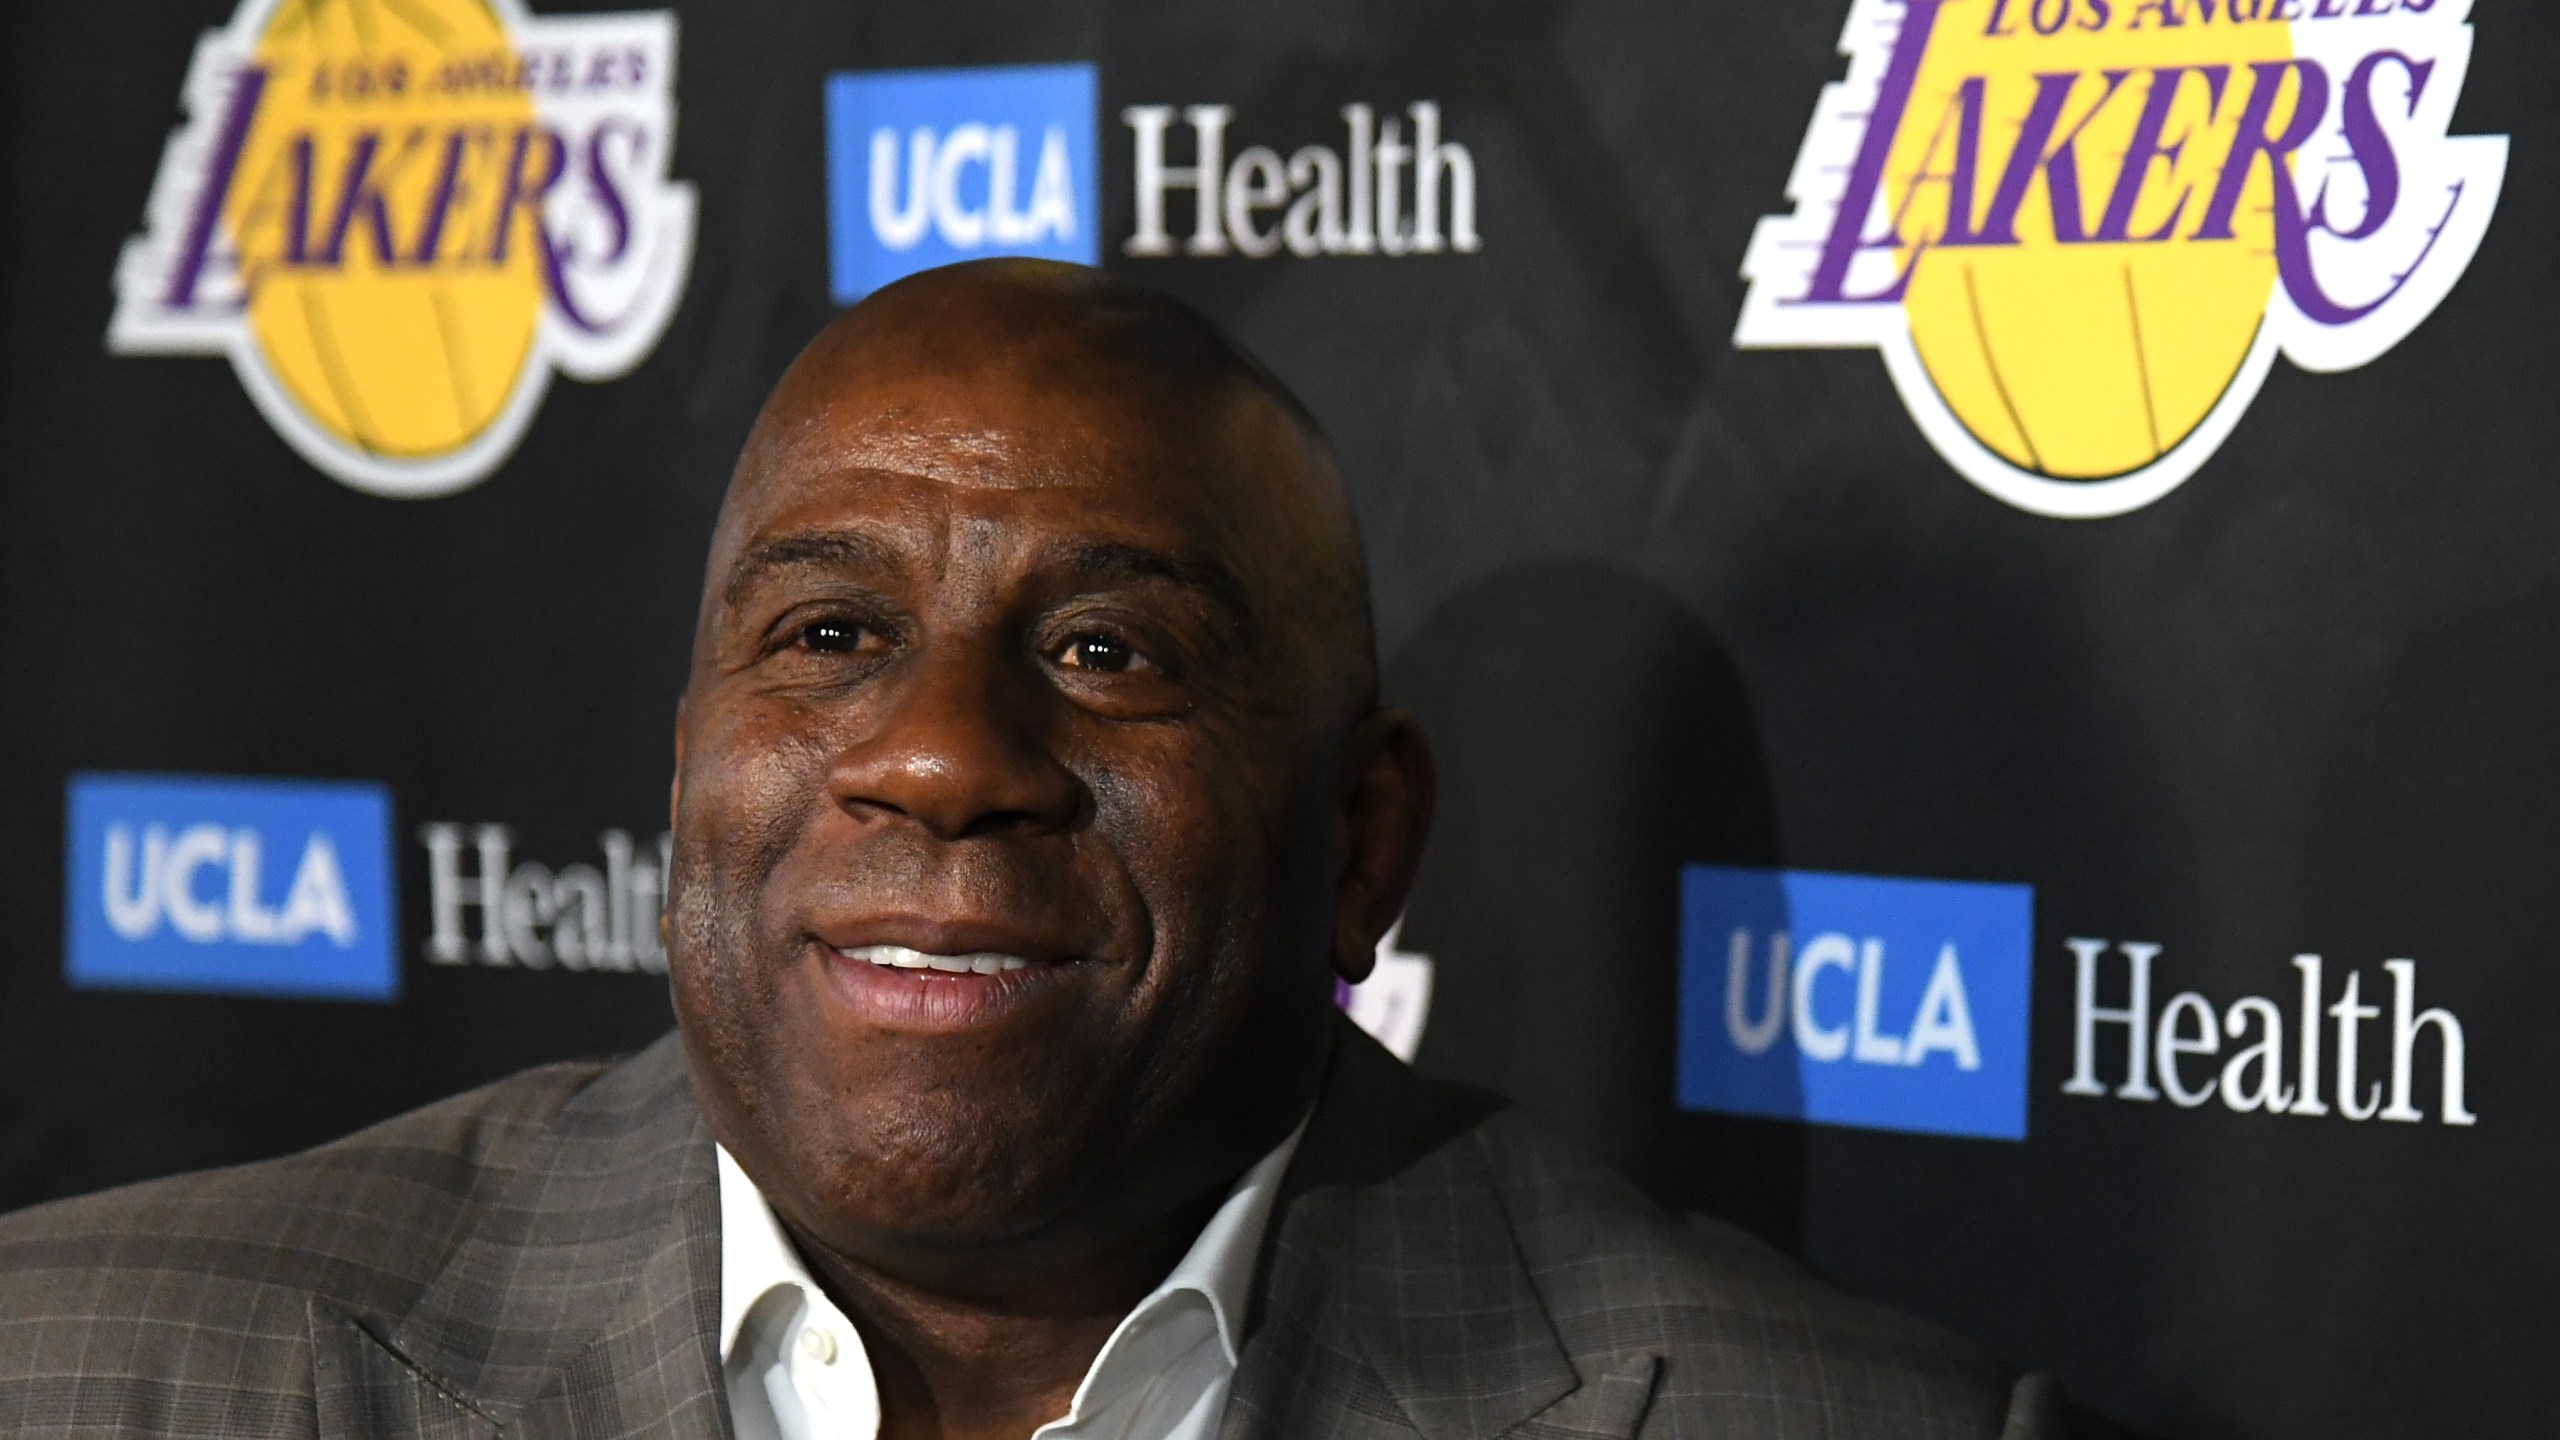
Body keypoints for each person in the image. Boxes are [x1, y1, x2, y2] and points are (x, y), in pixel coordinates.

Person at [0, 260, 2058, 1439]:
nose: (935, 758)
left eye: (1104, 647)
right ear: (683, 774)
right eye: (828, 637)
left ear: (1361, 842)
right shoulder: (86, 1371)